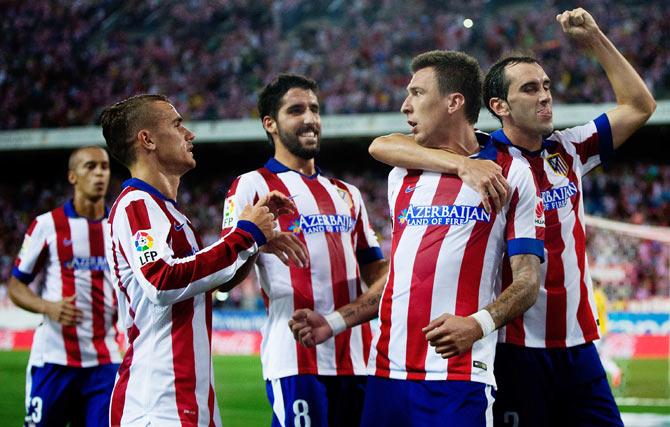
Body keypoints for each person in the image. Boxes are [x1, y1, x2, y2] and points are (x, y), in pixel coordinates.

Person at [367, 9, 655, 427]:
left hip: (578, 343)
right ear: (499, 105)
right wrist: (461, 166)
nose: (545, 97)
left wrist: (594, 40)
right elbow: (386, 145)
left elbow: (639, 105)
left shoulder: (568, 151)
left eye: (546, 87)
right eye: (530, 89)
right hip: (513, 344)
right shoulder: (486, 158)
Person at [291, 51, 544, 426]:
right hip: (387, 373)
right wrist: (336, 322)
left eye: (416, 93)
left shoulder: (512, 172)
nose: (405, 105)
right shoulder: (403, 175)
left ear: (453, 102)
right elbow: (401, 279)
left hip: (458, 377)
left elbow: (527, 282)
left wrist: (478, 324)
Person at [100, 94, 297, 426]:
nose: (189, 135)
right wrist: (245, 233)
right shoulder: (136, 203)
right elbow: (161, 280)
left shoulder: (169, 212)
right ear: (146, 139)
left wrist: (254, 239)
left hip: (190, 400)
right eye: (177, 124)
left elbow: (208, 279)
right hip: (158, 404)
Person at [221, 74, 388, 427]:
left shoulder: (347, 193)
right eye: (296, 110)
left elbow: (379, 275)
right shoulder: (251, 186)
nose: (310, 118)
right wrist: (253, 239)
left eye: (314, 108)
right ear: (271, 123)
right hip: (294, 359)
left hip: (358, 358)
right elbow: (225, 280)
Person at [9, 146, 121, 426]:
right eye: (90, 167)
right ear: (73, 177)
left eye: (104, 167)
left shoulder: (119, 227)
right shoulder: (47, 226)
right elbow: (16, 285)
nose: (99, 174)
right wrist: (47, 306)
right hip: (55, 358)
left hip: (105, 361)